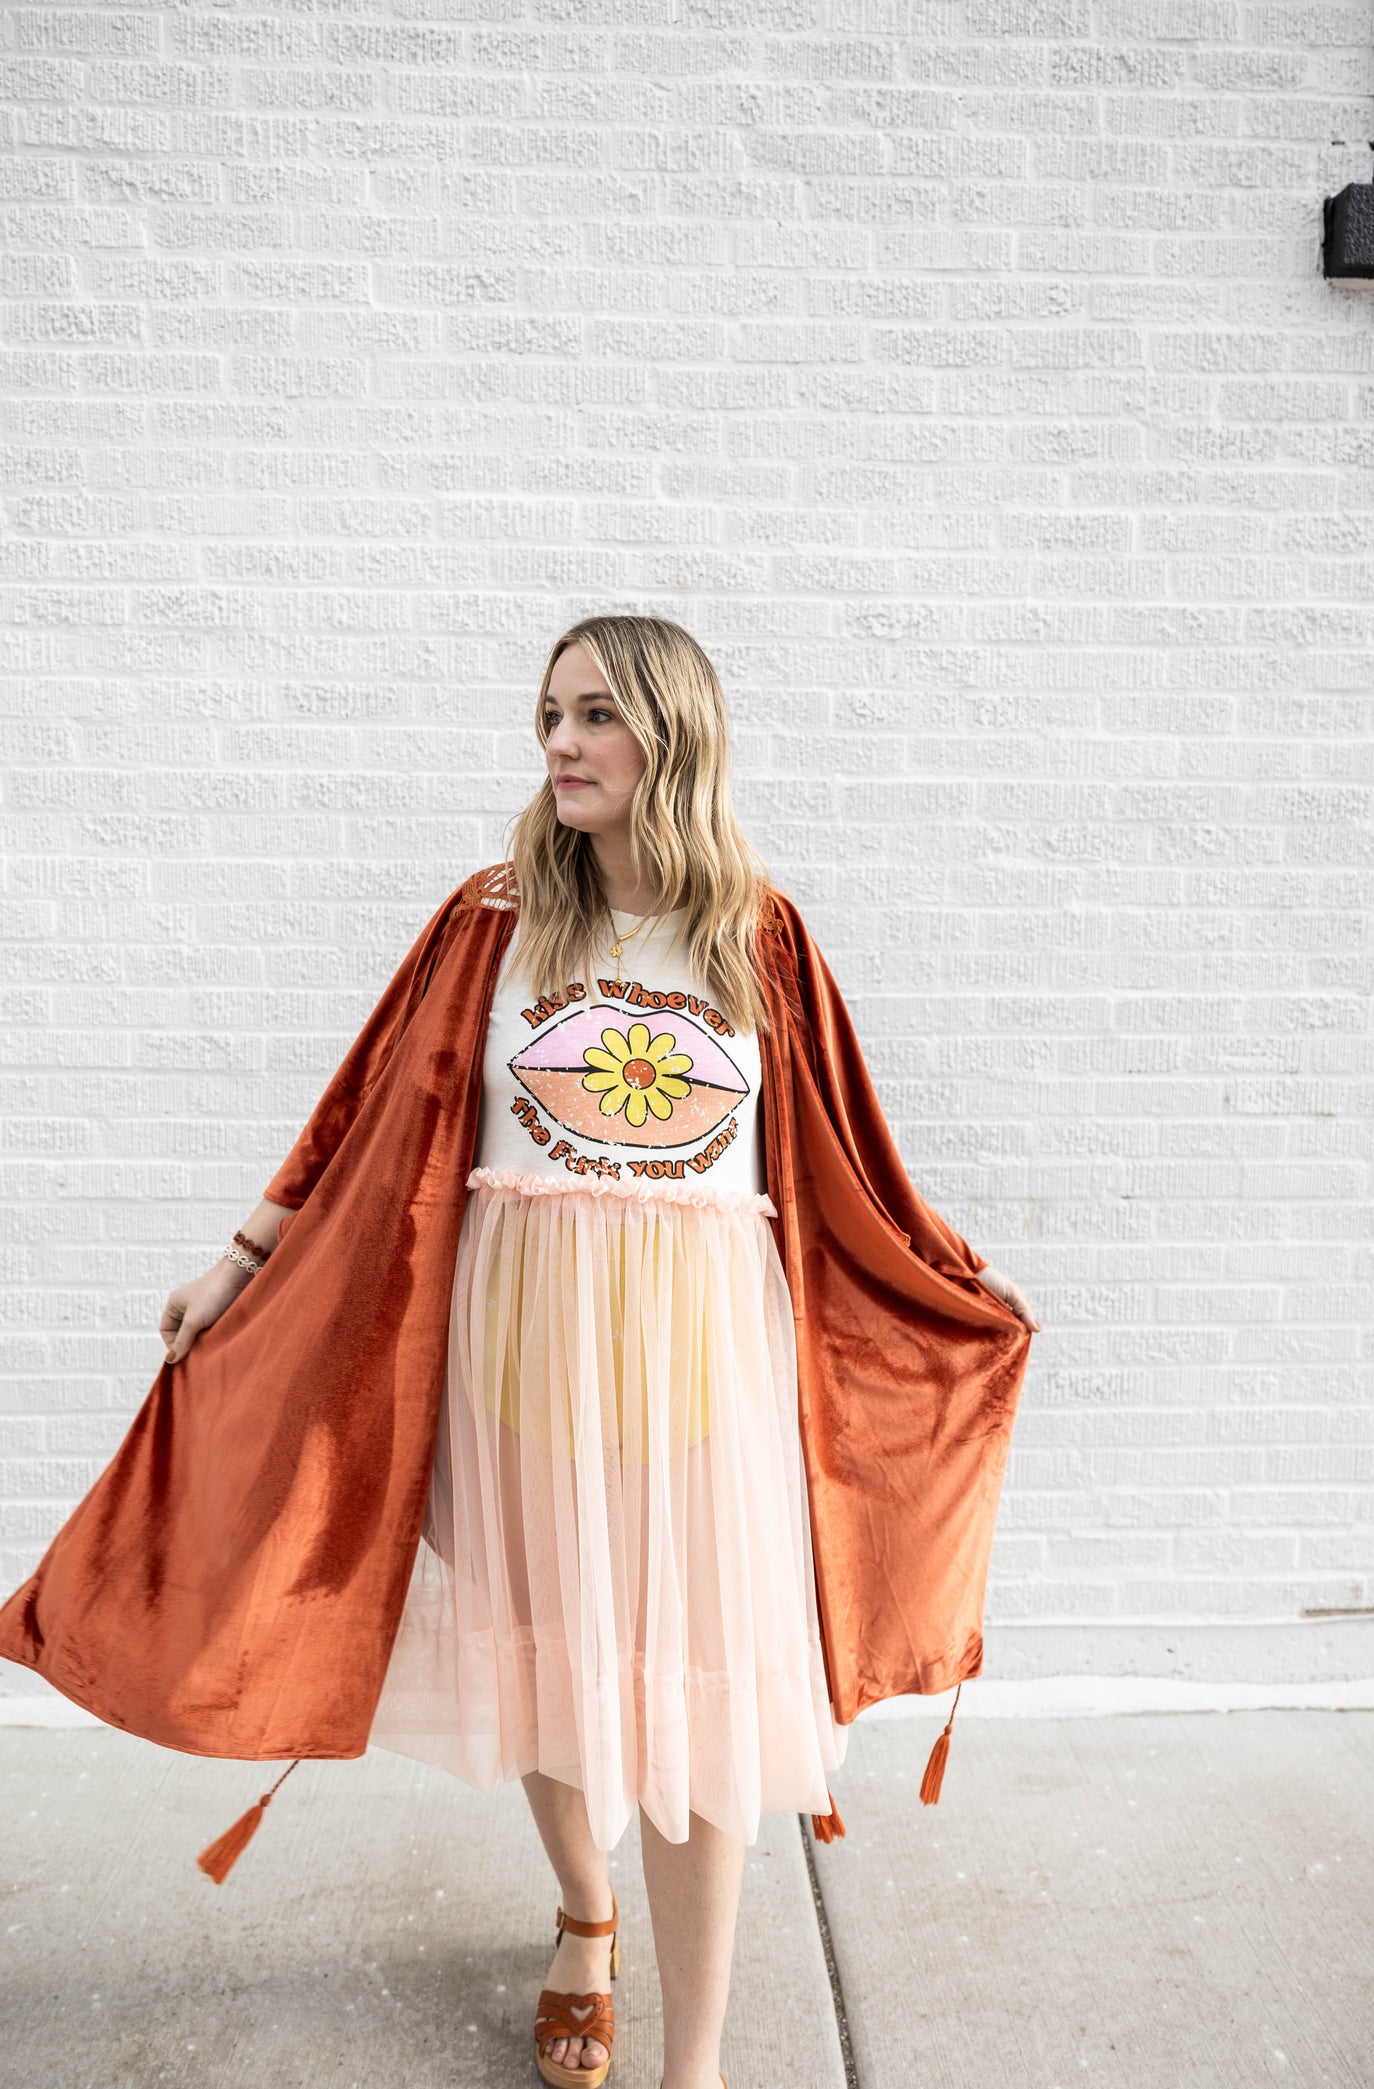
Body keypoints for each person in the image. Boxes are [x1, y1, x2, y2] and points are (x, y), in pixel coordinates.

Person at [1, 614, 1039, 2089]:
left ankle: (696, 2064)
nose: (562, 741)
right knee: (549, 1661)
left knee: (695, 1699)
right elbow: (363, 1108)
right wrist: (241, 1259)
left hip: (696, 1372)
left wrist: (948, 1278)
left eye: (598, 713)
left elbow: (846, 1153)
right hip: (517, 1362)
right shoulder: (491, 920)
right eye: (551, 713)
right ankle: (584, 1916)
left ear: (674, 733)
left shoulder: (759, 934)